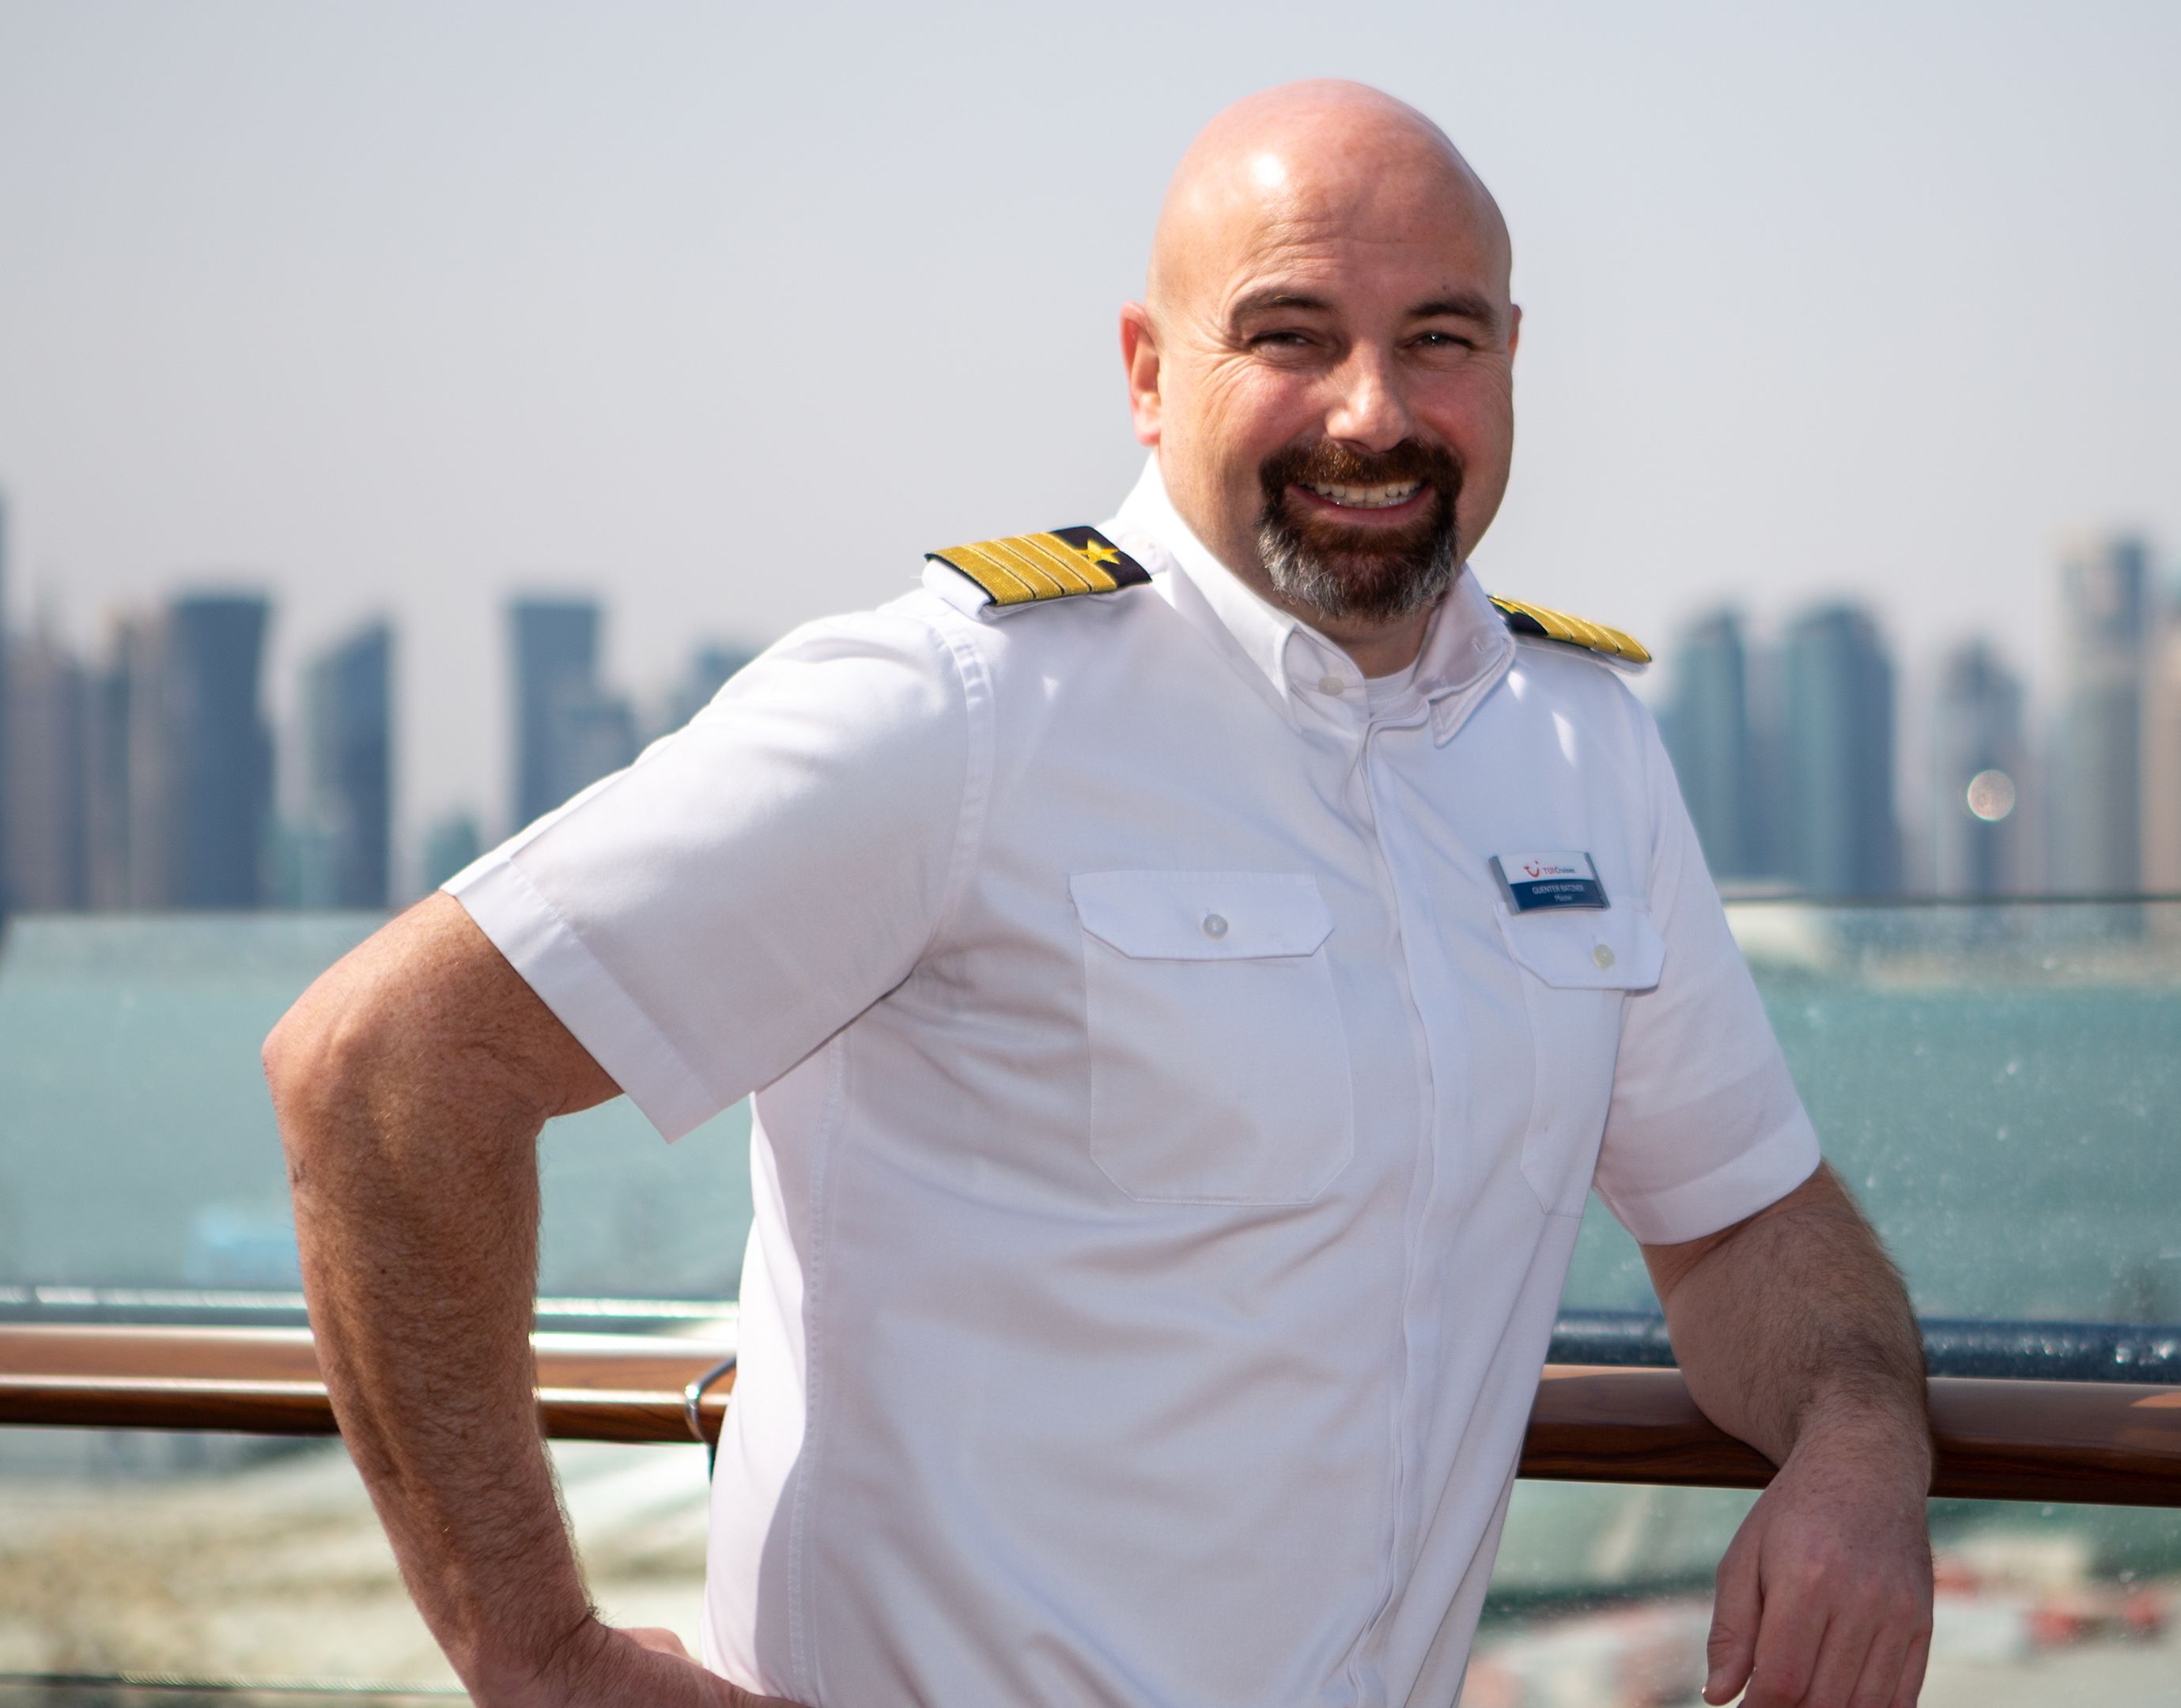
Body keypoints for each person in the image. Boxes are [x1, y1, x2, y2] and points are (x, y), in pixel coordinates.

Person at [265, 80, 1933, 1708]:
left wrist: (1863, 1448)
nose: (1374, 410)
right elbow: (386, 1066)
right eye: (1290, 334)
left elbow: (1742, 1222)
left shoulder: (1578, 746)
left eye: (1440, 335)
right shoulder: (957, 712)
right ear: (1149, 374)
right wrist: (539, 1659)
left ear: (1510, 359)